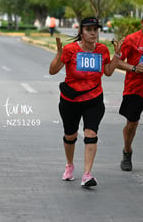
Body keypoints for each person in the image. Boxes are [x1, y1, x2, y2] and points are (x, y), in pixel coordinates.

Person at [49, 17, 122, 187]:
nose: (93, 33)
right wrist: (59, 55)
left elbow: (109, 72)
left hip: (94, 99)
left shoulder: (102, 50)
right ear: (81, 31)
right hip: (71, 100)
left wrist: (116, 55)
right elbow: (52, 71)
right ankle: (69, 165)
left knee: (91, 133)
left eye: (95, 30)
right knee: (70, 135)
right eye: (89, 30)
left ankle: (87, 174)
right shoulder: (70, 49)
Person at [116, 16, 143, 171]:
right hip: (135, 88)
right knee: (132, 124)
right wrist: (134, 68)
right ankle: (127, 150)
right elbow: (117, 61)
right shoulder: (132, 39)